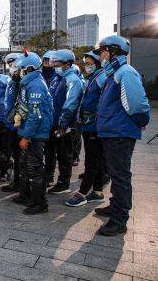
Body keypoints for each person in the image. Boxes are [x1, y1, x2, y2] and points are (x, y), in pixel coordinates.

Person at [93, 36, 150, 236]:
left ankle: (119, 219)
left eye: (102, 51)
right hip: (112, 132)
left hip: (119, 134)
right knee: (116, 174)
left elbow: (137, 105)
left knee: (120, 176)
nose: (100, 55)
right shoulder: (114, 73)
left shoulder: (125, 72)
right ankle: (115, 206)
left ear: (112, 51)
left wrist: (140, 122)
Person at [10, 51, 53, 214]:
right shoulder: (28, 83)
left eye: (20, 68)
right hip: (28, 131)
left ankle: (40, 203)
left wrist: (27, 137)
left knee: (35, 168)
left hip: (34, 134)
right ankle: (26, 195)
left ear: (28, 68)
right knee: (24, 165)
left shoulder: (35, 85)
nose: (17, 71)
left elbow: (36, 115)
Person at [66, 51, 107, 207]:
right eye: (86, 63)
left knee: (92, 161)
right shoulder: (93, 77)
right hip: (90, 125)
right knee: (97, 160)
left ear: (97, 62)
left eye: (90, 63)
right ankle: (97, 192)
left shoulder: (101, 77)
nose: (87, 66)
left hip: (95, 126)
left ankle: (82, 193)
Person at [45, 49, 83, 194]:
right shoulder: (57, 77)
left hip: (65, 125)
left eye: (57, 63)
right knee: (50, 152)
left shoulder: (73, 80)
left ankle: (63, 183)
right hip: (53, 123)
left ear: (67, 63)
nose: (54, 66)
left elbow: (70, 104)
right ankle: (49, 177)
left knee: (64, 155)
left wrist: (62, 124)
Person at [2, 53, 22, 192]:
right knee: (15, 155)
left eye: (14, 64)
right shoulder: (12, 81)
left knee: (21, 157)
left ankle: (20, 183)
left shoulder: (22, 81)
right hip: (11, 123)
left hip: (18, 125)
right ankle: (17, 181)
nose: (12, 68)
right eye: (10, 65)